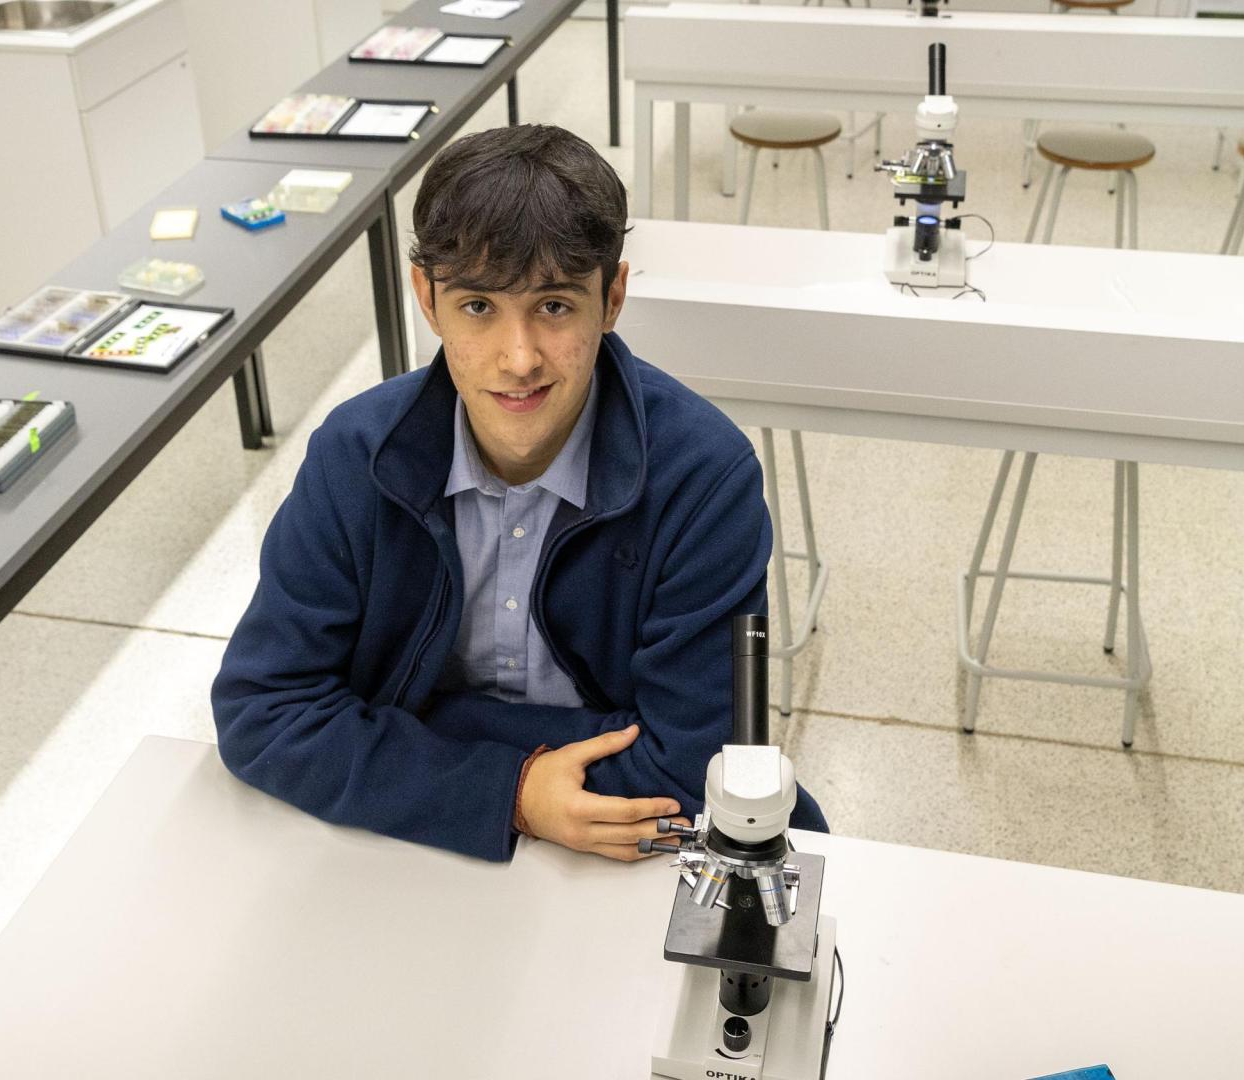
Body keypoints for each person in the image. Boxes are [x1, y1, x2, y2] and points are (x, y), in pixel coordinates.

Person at [212, 123, 826, 863]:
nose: (519, 358)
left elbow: (692, 773)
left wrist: (401, 734)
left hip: (621, 864)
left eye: (556, 306)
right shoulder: (355, 456)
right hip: (412, 852)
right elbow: (263, 709)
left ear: (614, 297)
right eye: (478, 307)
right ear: (426, 300)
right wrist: (513, 791)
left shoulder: (705, 478)